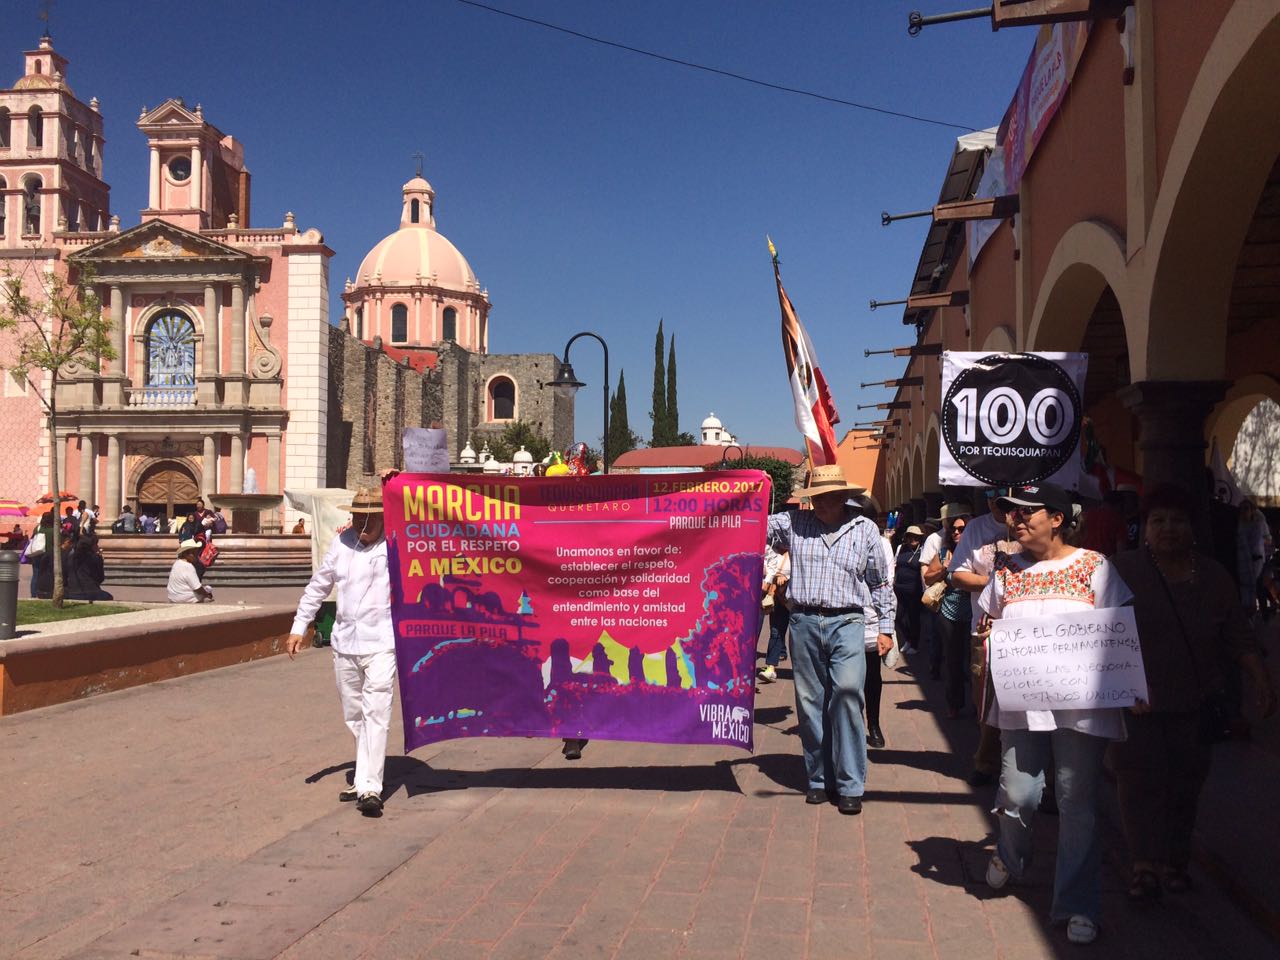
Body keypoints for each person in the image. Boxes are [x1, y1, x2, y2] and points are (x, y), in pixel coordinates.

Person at [979, 483, 1132, 947]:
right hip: (1021, 704)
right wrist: (985, 642)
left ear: (1058, 518)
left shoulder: (1094, 567)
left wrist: (1132, 683)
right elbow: (987, 625)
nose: (1016, 519)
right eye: (1012, 513)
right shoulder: (1006, 572)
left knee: (1075, 801)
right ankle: (1011, 854)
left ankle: (1077, 903)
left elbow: (1120, 630)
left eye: (1027, 512)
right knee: (1019, 792)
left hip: (1081, 710)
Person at [1109, 485, 1276, 901]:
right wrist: (1122, 686)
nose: (1168, 528)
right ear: (1145, 527)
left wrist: (1261, 680)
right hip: (1138, 704)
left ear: (1193, 528)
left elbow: (1238, 636)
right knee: (1139, 783)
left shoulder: (1214, 577)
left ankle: (1175, 861)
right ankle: (1144, 864)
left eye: (1177, 520)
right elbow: (1101, 637)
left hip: (1195, 701)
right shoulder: (1121, 570)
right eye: (1158, 521)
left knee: (1185, 784)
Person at [766, 465, 893, 816]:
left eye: (827, 497)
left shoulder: (864, 528)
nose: (820, 504)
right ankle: (820, 779)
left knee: (848, 695)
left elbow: (880, 582)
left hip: (848, 621)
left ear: (843, 497)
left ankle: (850, 783)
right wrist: (752, 491)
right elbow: (754, 526)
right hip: (804, 621)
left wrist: (886, 627)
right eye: (815, 498)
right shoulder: (794, 523)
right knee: (810, 703)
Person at [286, 486, 396, 817]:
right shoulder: (341, 543)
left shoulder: (396, 545)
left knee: (377, 712)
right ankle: (362, 778)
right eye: (358, 518)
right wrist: (299, 625)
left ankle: (371, 788)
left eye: (369, 520)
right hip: (346, 643)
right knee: (354, 714)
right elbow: (318, 586)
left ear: (383, 518)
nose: (362, 526)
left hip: (382, 642)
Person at [948, 489, 1013, 787]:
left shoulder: (1028, 523)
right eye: (989, 492)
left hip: (1027, 631)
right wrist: (996, 583)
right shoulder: (976, 528)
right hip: (984, 630)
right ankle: (986, 762)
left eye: (1001, 492)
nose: (994, 499)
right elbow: (957, 575)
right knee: (985, 700)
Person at [924, 510, 970, 718]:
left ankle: (977, 704)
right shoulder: (944, 553)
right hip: (949, 613)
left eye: (961, 529)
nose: (956, 533)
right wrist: (943, 569)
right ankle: (954, 704)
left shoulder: (976, 553)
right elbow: (928, 578)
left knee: (972, 662)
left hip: (973, 613)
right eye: (953, 530)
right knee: (953, 661)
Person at [860, 498, 897, 749]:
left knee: (872, 675)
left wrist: (886, 627)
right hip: (843, 617)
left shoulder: (882, 544)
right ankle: (851, 722)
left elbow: (886, 581)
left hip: (870, 618)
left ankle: (873, 723)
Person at [758, 540, 791, 683]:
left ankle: (775, 666)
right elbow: (769, 568)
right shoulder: (772, 551)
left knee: (787, 634)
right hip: (776, 597)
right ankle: (771, 667)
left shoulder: (795, 552)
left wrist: (787, 577)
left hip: (792, 601)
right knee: (775, 631)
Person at [893, 525, 924, 654]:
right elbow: (894, 564)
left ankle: (914, 644)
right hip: (898, 589)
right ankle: (908, 639)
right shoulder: (901, 548)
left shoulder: (922, 550)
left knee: (913, 618)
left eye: (916, 537)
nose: (913, 539)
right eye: (910, 536)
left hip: (914, 590)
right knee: (898, 617)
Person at [167, 539, 213, 603]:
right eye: (193, 553)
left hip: (173, 597)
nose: (196, 556)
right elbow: (197, 588)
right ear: (185, 554)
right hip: (183, 598)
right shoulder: (188, 566)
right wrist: (206, 595)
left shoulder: (177, 563)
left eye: (196, 553)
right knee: (206, 596)